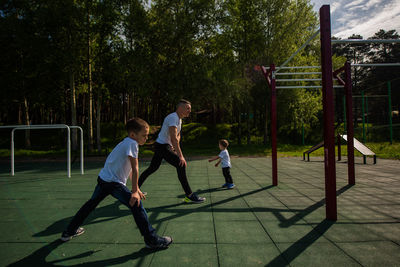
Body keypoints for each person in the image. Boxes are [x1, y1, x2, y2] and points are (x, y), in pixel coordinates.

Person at [60, 118, 172, 249]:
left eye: (147, 135)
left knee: (90, 204)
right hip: (113, 183)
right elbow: (135, 168)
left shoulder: (125, 143)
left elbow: (129, 169)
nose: (146, 138)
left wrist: (136, 188)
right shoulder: (132, 144)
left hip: (103, 179)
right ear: (132, 135)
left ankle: (69, 231)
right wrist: (134, 192)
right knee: (136, 205)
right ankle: (151, 240)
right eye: (144, 135)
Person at [138, 99, 205, 203]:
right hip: (162, 146)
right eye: (187, 108)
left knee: (152, 168)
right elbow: (174, 138)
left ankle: (135, 189)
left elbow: (177, 136)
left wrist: (173, 146)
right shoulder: (173, 117)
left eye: (190, 109)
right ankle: (189, 195)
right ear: (180, 108)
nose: (189, 111)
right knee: (180, 164)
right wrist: (181, 156)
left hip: (163, 145)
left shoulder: (179, 119)